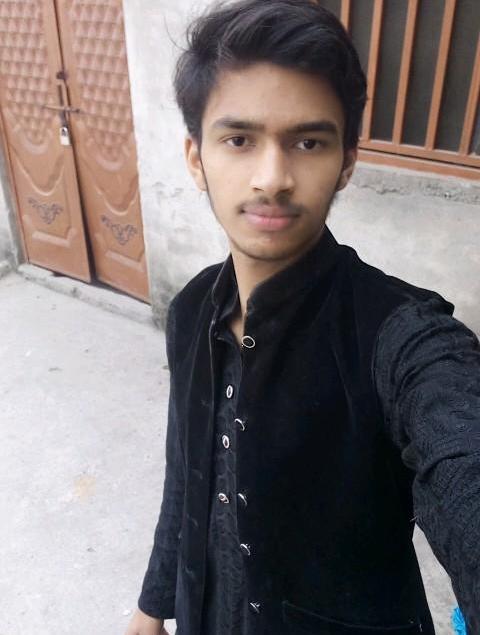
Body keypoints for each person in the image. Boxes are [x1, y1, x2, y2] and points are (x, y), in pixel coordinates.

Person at [125, 1, 480, 633]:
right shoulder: (191, 310)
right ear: (196, 157)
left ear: (346, 162)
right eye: (239, 140)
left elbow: (460, 452)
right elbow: (187, 480)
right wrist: (152, 609)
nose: (272, 179)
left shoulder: (401, 338)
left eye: (308, 142)